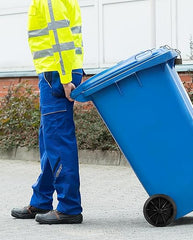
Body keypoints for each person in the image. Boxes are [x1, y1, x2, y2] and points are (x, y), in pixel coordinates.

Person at [11, 0, 84, 224]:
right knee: (49, 141)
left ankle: (69, 207)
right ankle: (41, 200)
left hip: (56, 75)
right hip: (56, 74)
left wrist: (64, 79)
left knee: (58, 142)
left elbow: (60, 39)